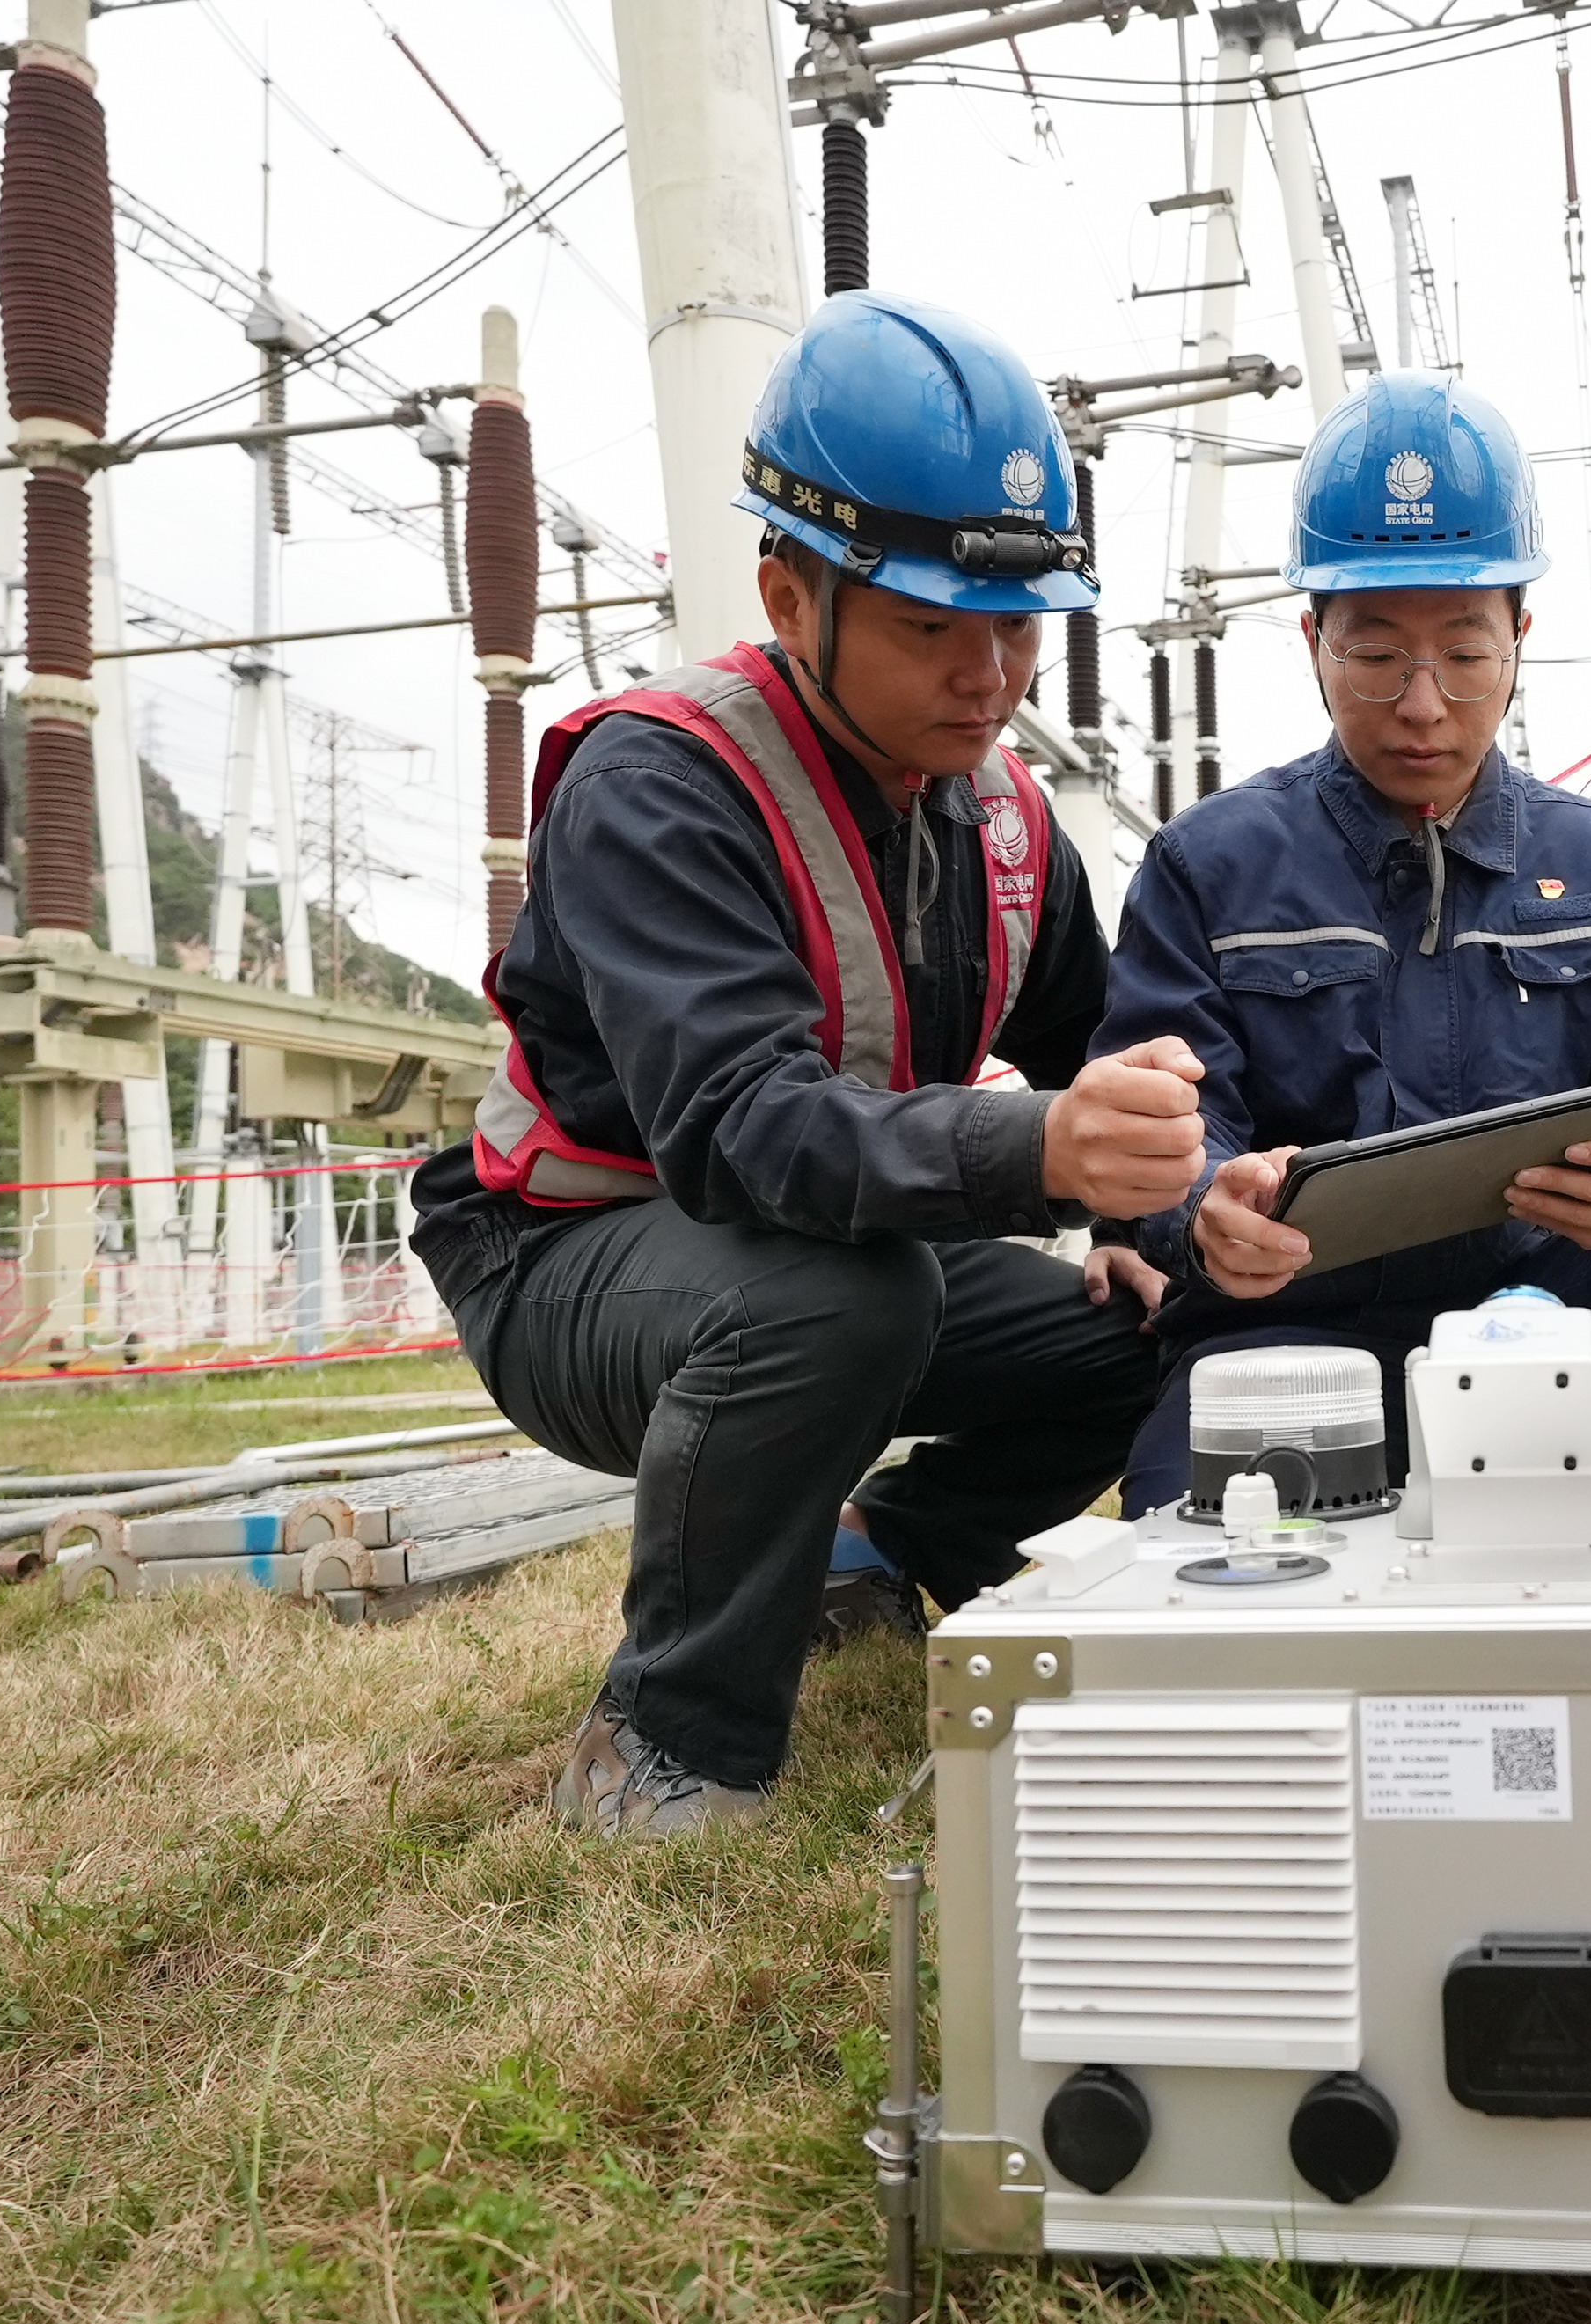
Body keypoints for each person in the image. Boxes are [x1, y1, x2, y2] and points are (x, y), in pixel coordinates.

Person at [410, 291, 1198, 1839]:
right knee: (847, 1298)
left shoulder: (1004, 823)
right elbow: (742, 1134)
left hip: (822, 1247)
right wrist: (1042, 1152)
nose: (989, 675)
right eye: (930, 626)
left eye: (1018, 625)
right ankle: (665, 1744)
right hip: (567, 1251)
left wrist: (1156, 1213)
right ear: (790, 596)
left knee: (1139, 1340)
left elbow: (1098, 1043)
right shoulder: (660, 786)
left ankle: (870, 1561)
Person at [1087, 371, 1591, 1515]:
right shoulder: (1209, 866)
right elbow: (1162, 1117)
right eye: (1376, 653)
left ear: (1519, 636)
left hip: (1567, 1321)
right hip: (1292, 1334)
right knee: (1198, 1580)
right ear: (1312, 640)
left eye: (1462, 649)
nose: (1422, 703)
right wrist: (1202, 1207)